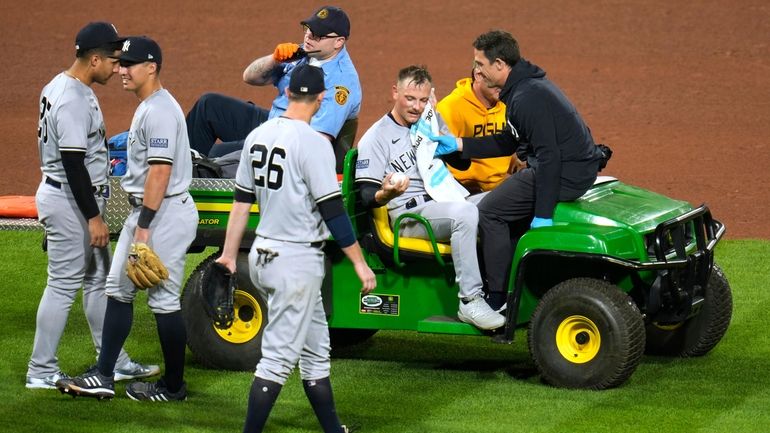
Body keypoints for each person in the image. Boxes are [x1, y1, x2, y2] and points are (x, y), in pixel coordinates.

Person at [215, 64, 375, 433]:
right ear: (321, 99)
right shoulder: (313, 143)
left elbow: (240, 202)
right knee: (276, 360)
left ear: (287, 93)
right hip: (296, 264)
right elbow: (332, 210)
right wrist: (360, 264)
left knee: (316, 350)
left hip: (262, 257)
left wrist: (227, 253)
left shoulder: (258, 135)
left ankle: (333, 429)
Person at [57, 36, 199, 401]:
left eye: (130, 64)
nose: (121, 69)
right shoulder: (149, 105)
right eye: (120, 63)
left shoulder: (161, 111)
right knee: (117, 290)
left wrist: (145, 230)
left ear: (151, 68)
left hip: (163, 213)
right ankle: (104, 374)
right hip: (151, 212)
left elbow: (160, 174)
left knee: (164, 301)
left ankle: (173, 387)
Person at [431, 30, 608, 311]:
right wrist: (459, 144)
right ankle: (514, 287)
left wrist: (543, 214)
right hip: (571, 169)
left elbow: (550, 157)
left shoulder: (526, 97)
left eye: (480, 64)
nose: (476, 70)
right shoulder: (525, 88)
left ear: (499, 64)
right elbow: (507, 141)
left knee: (489, 211)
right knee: (507, 210)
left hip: (564, 174)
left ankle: (498, 298)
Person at [27, 22, 159, 390]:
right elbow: (72, 164)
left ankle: (112, 361)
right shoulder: (71, 98)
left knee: (98, 283)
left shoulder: (63, 85)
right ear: (94, 58)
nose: (118, 68)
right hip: (70, 200)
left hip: (70, 198)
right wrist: (93, 218)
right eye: (114, 60)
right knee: (63, 285)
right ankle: (40, 370)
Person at [355, 65, 505, 331]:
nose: (416, 106)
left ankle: (503, 290)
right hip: (408, 217)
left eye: (423, 100)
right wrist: (386, 193)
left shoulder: (429, 122)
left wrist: (438, 126)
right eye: (410, 98)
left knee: (502, 200)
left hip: (443, 201)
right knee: (466, 215)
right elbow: (366, 195)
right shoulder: (376, 137)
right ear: (395, 93)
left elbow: (460, 162)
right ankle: (470, 300)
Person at [186, 5, 360, 173]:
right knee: (208, 106)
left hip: (289, 145)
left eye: (318, 35)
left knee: (217, 154)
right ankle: (181, 170)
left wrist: (266, 141)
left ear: (338, 42)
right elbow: (250, 77)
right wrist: (275, 59)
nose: (308, 37)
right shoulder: (305, 52)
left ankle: (192, 180)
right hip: (273, 122)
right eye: (308, 29)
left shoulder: (342, 83)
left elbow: (314, 141)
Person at [436, 68, 524, 193]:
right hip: (462, 188)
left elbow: (503, 147)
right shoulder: (450, 108)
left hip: (500, 187)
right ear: (478, 75)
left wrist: (515, 164)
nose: (503, 86)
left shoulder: (509, 104)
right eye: (496, 80)